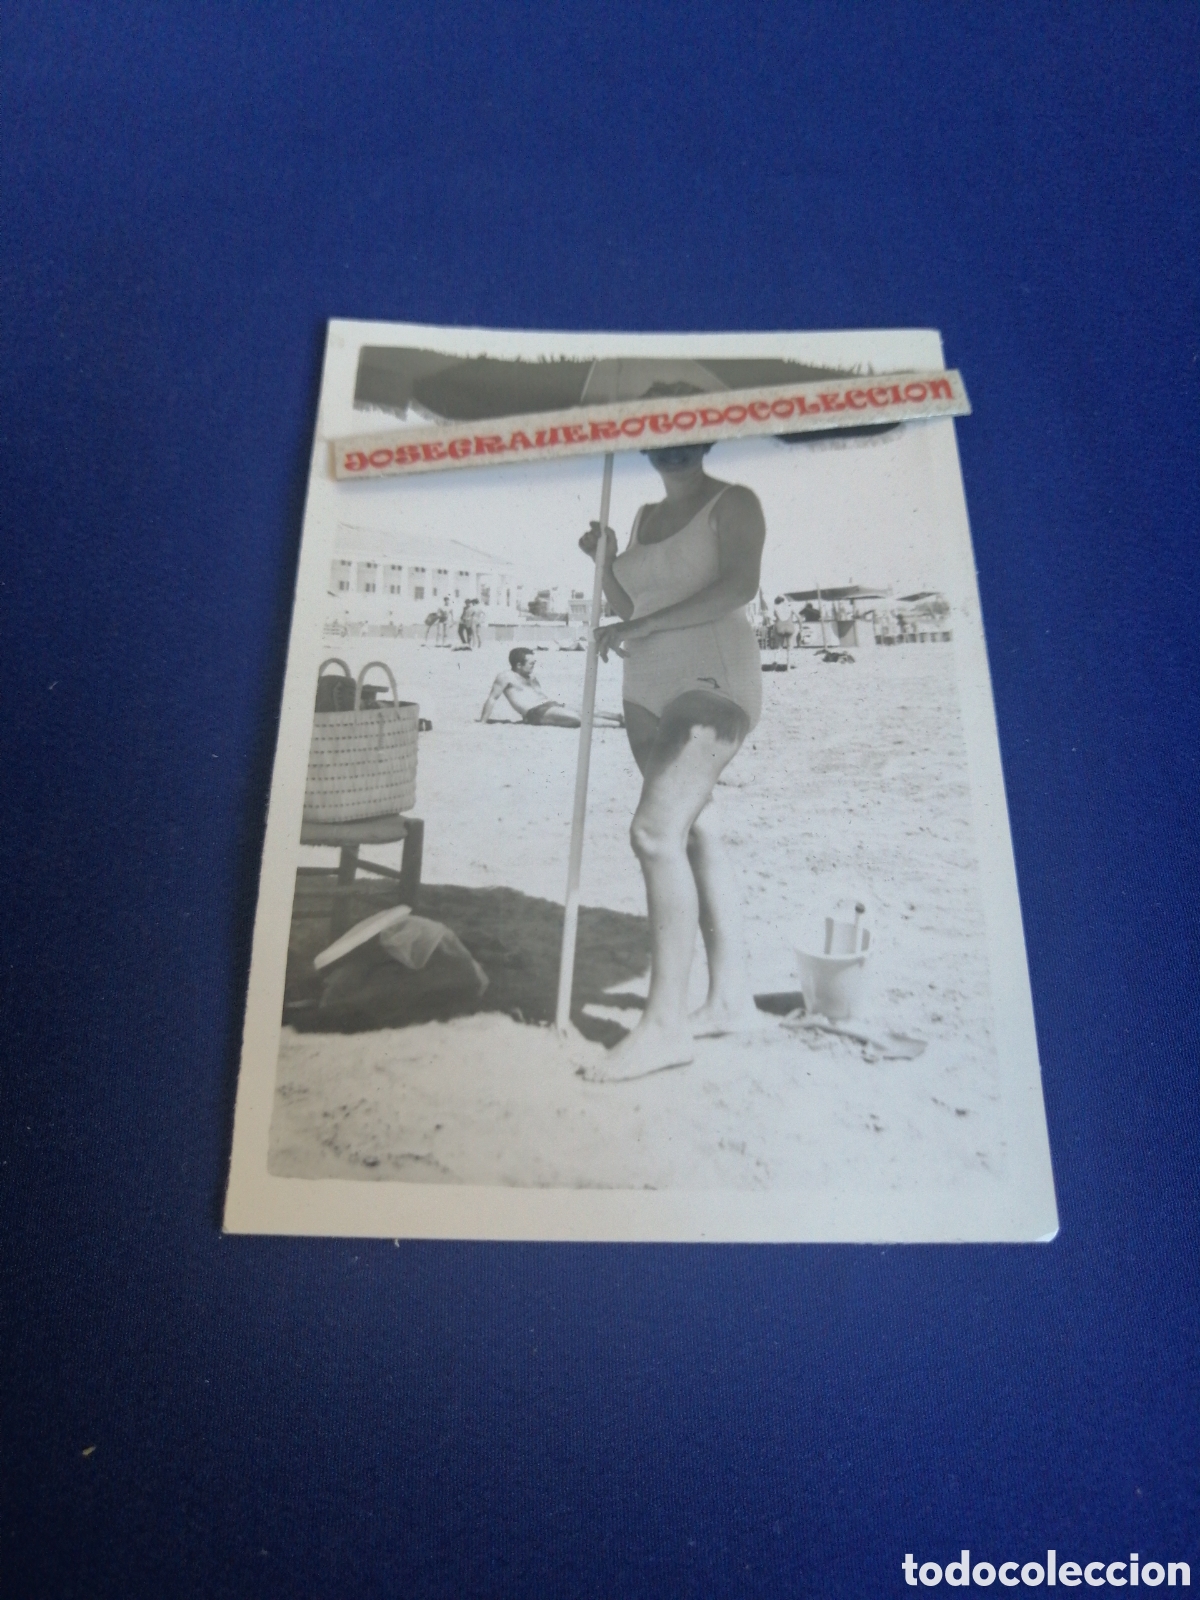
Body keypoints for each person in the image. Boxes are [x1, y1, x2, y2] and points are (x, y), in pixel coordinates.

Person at [578, 440, 765, 1081]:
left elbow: (740, 585)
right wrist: (606, 566)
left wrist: (642, 627)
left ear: (708, 437)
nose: (673, 450)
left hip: (710, 680)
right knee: (694, 830)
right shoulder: (639, 518)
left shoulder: (732, 503)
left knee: (654, 833)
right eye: (661, 438)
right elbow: (637, 611)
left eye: (687, 437)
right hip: (645, 684)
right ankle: (732, 999)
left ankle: (665, 1028)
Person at [479, 648, 623, 728]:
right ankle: (616, 724)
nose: (533, 666)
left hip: (550, 705)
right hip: (534, 712)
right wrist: (483, 722)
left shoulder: (531, 676)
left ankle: (621, 719)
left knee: (589, 710)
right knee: (576, 718)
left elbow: (539, 694)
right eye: (531, 663)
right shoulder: (505, 676)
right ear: (518, 665)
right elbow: (492, 698)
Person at [772, 594, 798, 668]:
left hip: (779, 626)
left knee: (779, 647)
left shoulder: (776, 608)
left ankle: (776, 661)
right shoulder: (790, 607)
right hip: (790, 626)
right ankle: (789, 665)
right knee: (790, 646)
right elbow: (799, 617)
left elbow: (774, 618)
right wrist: (801, 628)